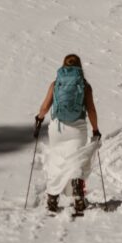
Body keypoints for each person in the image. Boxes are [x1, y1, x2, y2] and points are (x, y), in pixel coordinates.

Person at [34, 54, 101, 215]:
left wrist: (39, 119)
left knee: (57, 160)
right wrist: (95, 129)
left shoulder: (56, 83)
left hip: (57, 129)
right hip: (77, 128)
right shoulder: (84, 85)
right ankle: (78, 194)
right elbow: (91, 109)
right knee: (77, 160)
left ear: (64, 66)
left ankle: (52, 198)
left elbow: (44, 107)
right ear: (79, 67)